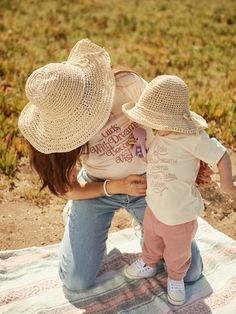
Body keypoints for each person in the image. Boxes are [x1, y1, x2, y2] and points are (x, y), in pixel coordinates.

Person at [18, 39, 210, 294]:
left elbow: (175, 123)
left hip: (151, 184)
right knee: (76, 281)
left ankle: (149, 235)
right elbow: (67, 187)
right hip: (97, 187)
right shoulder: (53, 130)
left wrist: (197, 163)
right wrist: (115, 187)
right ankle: (76, 218)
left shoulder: (126, 85)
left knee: (191, 272)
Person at [122, 75, 236, 305]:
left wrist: (227, 184)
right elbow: (156, 164)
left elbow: (221, 155)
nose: (150, 123)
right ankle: (149, 263)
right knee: (151, 240)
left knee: (178, 253)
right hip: (154, 207)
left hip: (179, 216)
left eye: (152, 118)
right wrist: (140, 149)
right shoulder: (157, 135)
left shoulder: (192, 138)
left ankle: (176, 278)